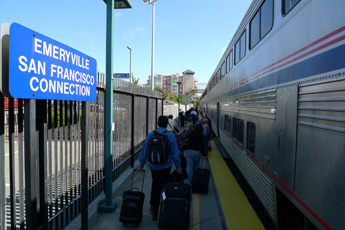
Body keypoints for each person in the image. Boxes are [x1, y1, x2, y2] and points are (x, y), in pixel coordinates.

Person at [137, 116, 182, 220]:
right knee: (164, 186)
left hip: (153, 166)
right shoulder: (170, 135)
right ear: (167, 124)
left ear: (157, 123)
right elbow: (175, 153)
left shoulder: (151, 134)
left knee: (155, 184)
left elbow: (144, 151)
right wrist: (178, 167)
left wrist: (141, 165)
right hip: (166, 166)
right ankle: (162, 203)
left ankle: (153, 206)